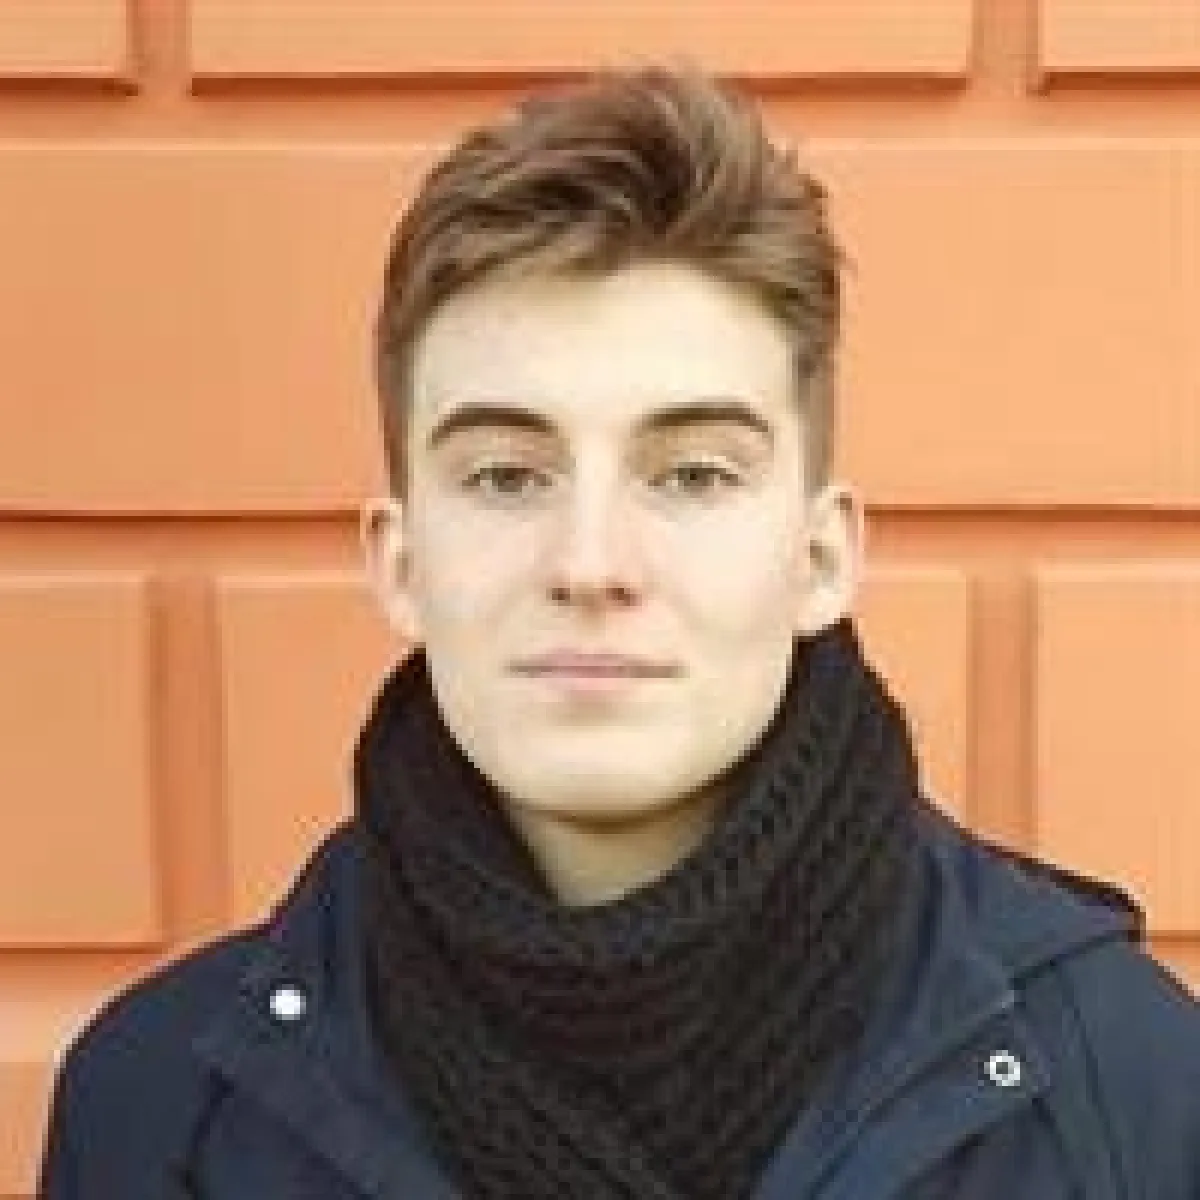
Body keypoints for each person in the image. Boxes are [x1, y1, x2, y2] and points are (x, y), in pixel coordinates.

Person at [37, 64, 1200, 1199]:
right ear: (400, 563)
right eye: (505, 477)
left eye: (692, 475)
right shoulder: (158, 1114)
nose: (591, 565)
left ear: (820, 557)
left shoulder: (1126, 1083)